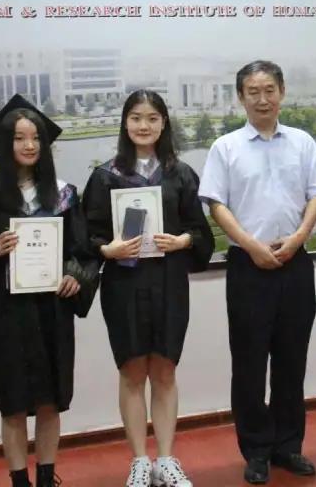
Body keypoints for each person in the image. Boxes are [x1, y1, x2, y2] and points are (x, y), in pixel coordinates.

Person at [198, 60, 316, 485]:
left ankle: (288, 446)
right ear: (241, 97)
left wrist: (299, 238)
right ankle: (256, 450)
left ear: (282, 92)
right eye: (253, 92)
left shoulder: (302, 142)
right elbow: (216, 205)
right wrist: (251, 245)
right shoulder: (225, 147)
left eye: (269, 90)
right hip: (248, 266)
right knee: (249, 363)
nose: (262, 99)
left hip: (295, 263)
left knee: (292, 360)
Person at [82, 89, 215, 487]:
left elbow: (200, 232)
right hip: (124, 284)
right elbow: (86, 236)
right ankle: (140, 460)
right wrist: (107, 249)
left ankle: (166, 459)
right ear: (125, 123)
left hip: (169, 283)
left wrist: (183, 241)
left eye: (152, 118)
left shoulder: (180, 173)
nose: (144, 125)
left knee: (165, 370)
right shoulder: (105, 175)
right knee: (132, 372)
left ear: (164, 123)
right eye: (136, 117)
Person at [0, 94, 95, 487]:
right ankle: (19, 481)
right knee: (12, 404)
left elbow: (83, 251)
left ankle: (45, 477)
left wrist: (75, 275)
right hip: (8, 313)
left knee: (49, 401)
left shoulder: (63, 195)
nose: (29, 145)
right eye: (20, 138)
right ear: (5, 145)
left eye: (36, 137)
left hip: (52, 311)